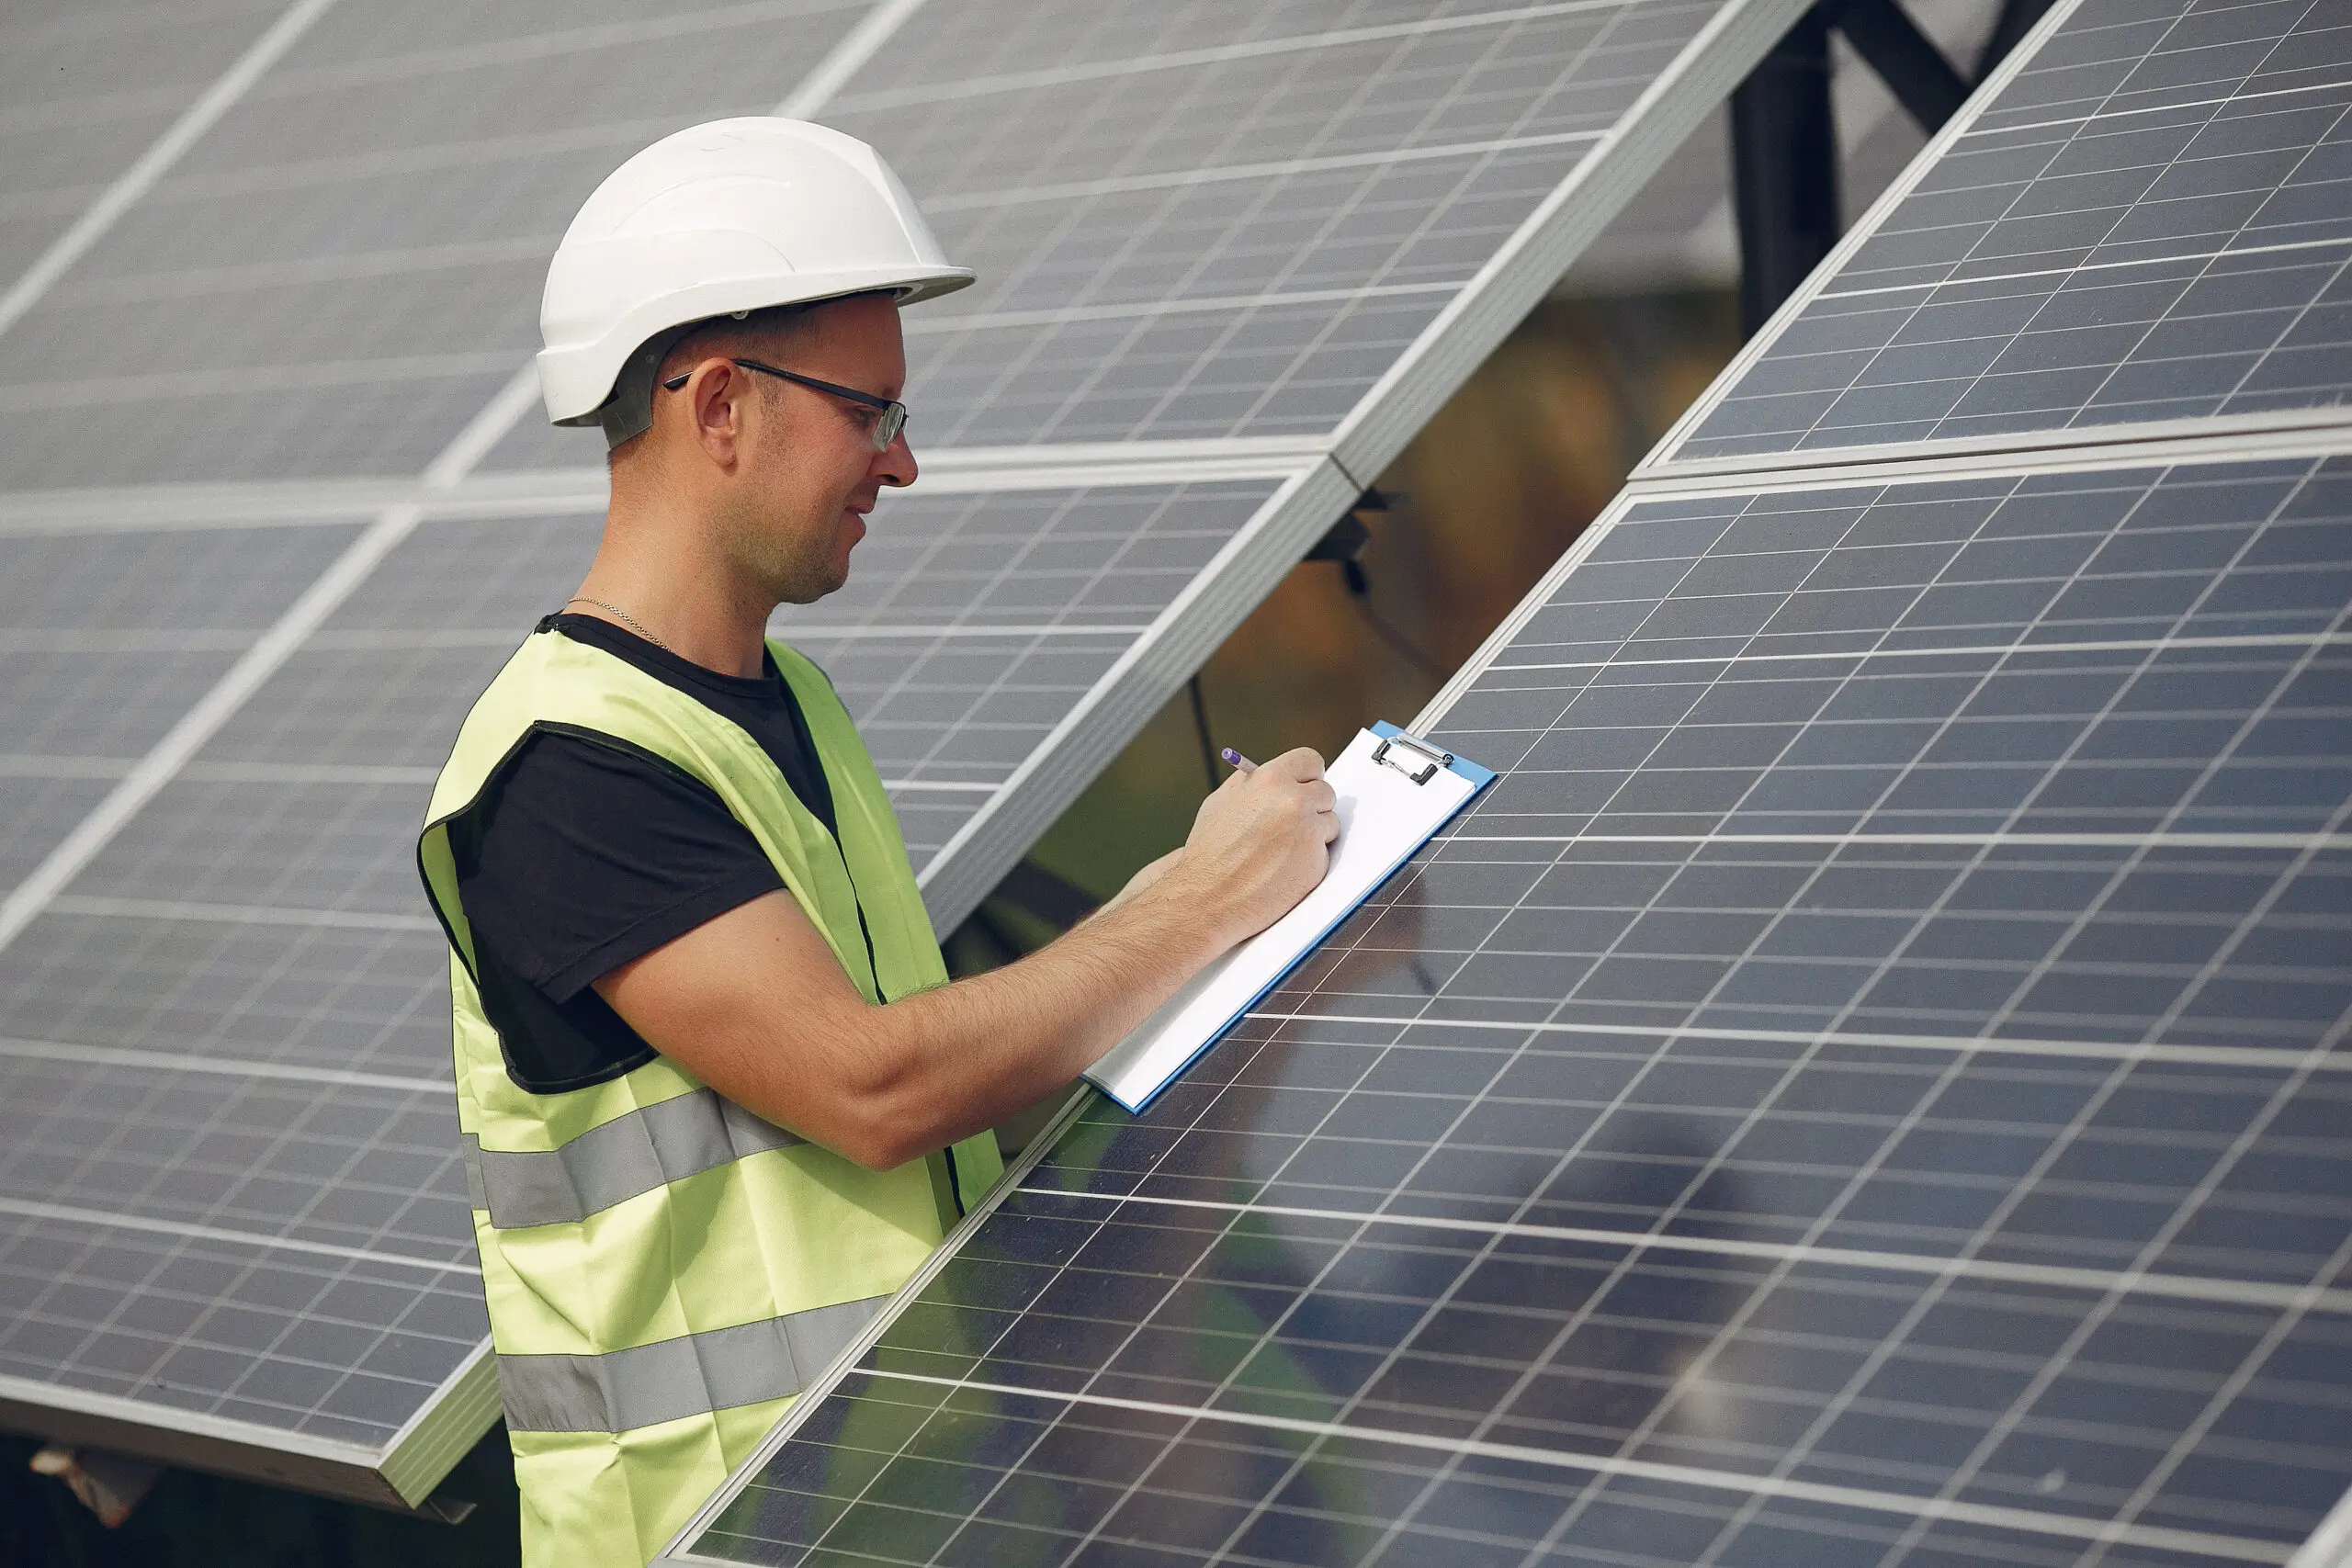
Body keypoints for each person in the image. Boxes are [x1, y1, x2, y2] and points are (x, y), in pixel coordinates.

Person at [414, 118, 1336, 1568]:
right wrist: (1198, 906)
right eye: (871, 413)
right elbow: (874, 1085)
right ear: (720, 405)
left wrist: (1210, 897)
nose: (903, 464)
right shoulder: (565, 773)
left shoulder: (791, 711)